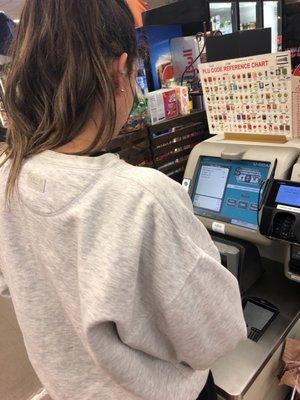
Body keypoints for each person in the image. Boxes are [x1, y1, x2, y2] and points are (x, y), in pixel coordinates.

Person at [0, 1, 247, 399]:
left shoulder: (8, 179)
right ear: (120, 71)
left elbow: (21, 285)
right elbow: (216, 336)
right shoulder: (142, 198)